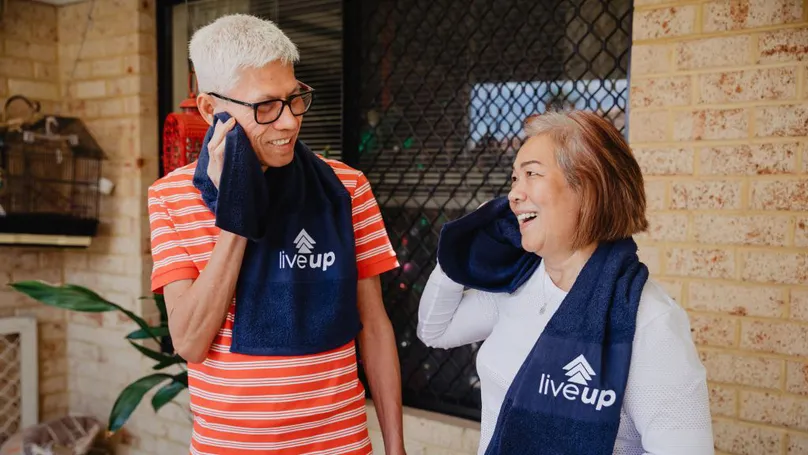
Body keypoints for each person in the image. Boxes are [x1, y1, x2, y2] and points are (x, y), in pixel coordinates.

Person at [148, 14, 405, 454]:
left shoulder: (346, 188)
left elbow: (375, 327)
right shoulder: (170, 197)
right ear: (211, 109)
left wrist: (395, 448)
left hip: (339, 445)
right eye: (265, 106)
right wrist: (236, 210)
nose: (288, 122)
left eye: (294, 98)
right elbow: (190, 342)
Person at [417, 111, 714, 455]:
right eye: (514, 179)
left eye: (531, 174)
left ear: (588, 188)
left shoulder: (647, 320)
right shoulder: (521, 282)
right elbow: (435, 331)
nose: (513, 195)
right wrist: (463, 251)